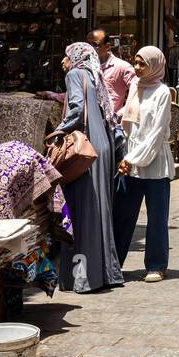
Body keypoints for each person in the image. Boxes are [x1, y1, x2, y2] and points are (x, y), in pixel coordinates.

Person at [51, 42, 124, 294]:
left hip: (84, 149)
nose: (63, 61)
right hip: (100, 146)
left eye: (66, 56)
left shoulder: (74, 74)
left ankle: (81, 278)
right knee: (99, 211)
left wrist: (58, 131)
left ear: (77, 58)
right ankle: (104, 273)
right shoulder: (93, 75)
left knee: (81, 213)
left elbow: (77, 108)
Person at [112, 46, 174, 283]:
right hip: (131, 163)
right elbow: (129, 127)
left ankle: (156, 265)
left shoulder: (163, 93)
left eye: (142, 64)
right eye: (135, 63)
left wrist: (131, 159)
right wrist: (126, 157)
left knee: (157, 217)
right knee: (123, 215)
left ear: (155, 65)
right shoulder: (135, 88)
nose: (137, 68)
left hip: (154, 163)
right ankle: (114, 263)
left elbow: (156, 134)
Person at [88, 29, 135, 119]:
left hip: (111, 124)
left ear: (107, 47)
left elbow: (138, 93)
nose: (90, 48)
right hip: (89, 121)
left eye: (95, 45)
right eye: (88, 44)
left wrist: (120, 114)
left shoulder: (122, 67)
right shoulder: (85, 67)